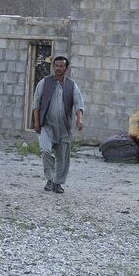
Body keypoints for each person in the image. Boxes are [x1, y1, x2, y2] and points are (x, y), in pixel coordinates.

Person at [32, 56, 85, 194]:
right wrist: (37, 122)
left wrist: (79, 119)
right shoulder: (44, 83)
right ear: (53, 67)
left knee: (63, 157)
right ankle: (50, 179)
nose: (58, 68)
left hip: (64, 128)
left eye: (62, 66)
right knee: (45, 150)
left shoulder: (72, 85)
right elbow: (36, 104)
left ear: (66, 69)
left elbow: (79, 104)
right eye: (56, 66)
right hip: (47, 126)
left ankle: (58, 183)